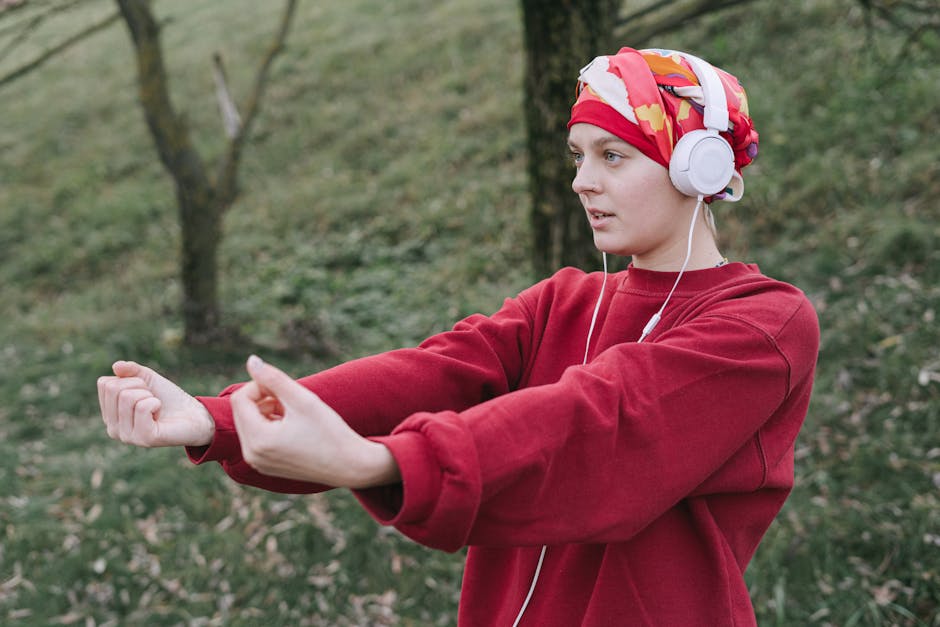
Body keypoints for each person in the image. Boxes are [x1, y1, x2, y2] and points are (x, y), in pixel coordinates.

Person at [97, 47, 819, 626]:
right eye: (577, 155)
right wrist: (218, 418)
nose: (581, 182)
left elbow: (604, 422)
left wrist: (380, 462)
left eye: (612, 155)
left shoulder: (763, 325)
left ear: (699, 168)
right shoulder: (562, 302)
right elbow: (430, 373)